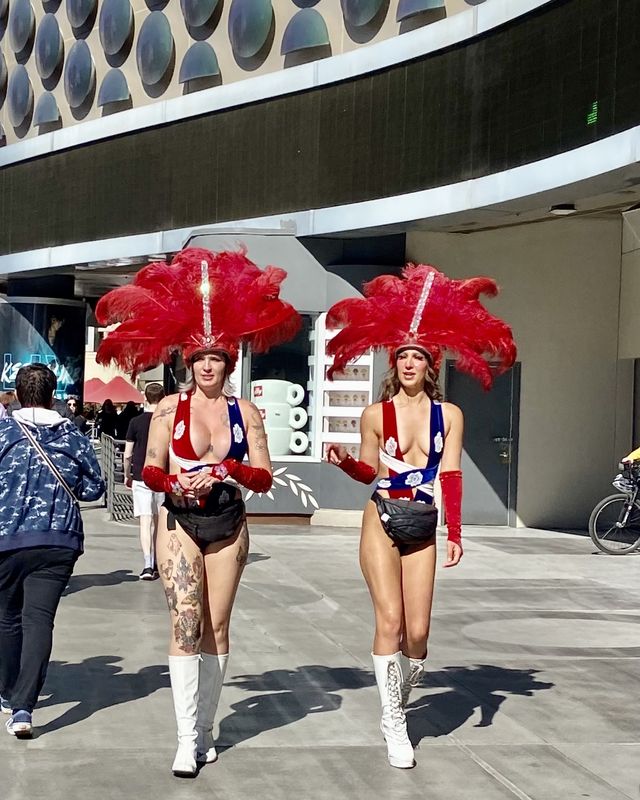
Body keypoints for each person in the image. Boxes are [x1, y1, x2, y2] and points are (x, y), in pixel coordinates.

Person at [96, 247, 301, 777]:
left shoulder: (246, 412)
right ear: (188, 362)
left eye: (217, 358)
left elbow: (264, 474)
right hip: (180, 521)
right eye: (200, 358)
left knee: (216, 626)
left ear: (228, 363)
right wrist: (175, 481)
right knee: (184, 622)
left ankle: (207, 726)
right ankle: (187, 737)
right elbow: (148, 470)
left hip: (229, 524)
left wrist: (229, 469)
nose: (208, 366)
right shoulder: (169, 409)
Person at [325, 264, 516, 770]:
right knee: (388, 620)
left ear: (431, 364)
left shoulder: (449, 415)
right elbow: (368, 469)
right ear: (395, 362)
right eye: (403, 355)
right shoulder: (375, 413)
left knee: (418, 632)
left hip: (424, 520)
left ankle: (402, 688)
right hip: (381, 515)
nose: (409, 363)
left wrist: (455, 532)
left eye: (418, 356)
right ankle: (394, 722)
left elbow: (450, 475)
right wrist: (344, 461)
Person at [0, 364, 105, 737]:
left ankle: (8, 689)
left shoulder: (3, 431)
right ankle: (23, 709)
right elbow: (95, 488)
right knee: (38, 619)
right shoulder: (72, 435)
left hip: (7, 537)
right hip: (58, 538)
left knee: (7, 618)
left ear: (16, 393)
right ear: (51, 395)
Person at [124, 383, 166, 580]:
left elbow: (127, 454)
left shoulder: (135, 422)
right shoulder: (167, 421)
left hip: (141, 476)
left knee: (145, 520)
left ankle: (148, 564)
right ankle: (159, 560)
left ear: (145, 398)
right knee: (159, 520)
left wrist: (127, 475)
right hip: (162, 476)